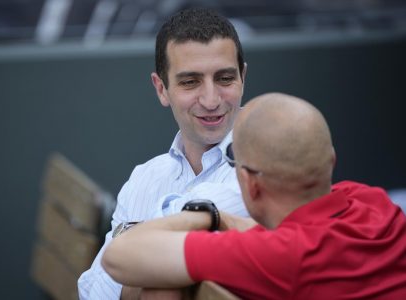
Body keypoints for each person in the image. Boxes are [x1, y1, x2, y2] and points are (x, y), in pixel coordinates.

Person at [102, 93, 406, 299]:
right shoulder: (373, 202)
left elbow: (118, 256)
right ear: (331, 161)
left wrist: (205, 214)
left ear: (250, 182)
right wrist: (224, 218)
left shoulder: (278, 256)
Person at [78, 8, 249, 299]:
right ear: (161, 89)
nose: (211, 100)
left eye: (224, 78)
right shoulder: (145, 177)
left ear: (242, 77)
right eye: (190, 82)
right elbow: (91, 290)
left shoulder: (262, 171)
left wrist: (132, 240)